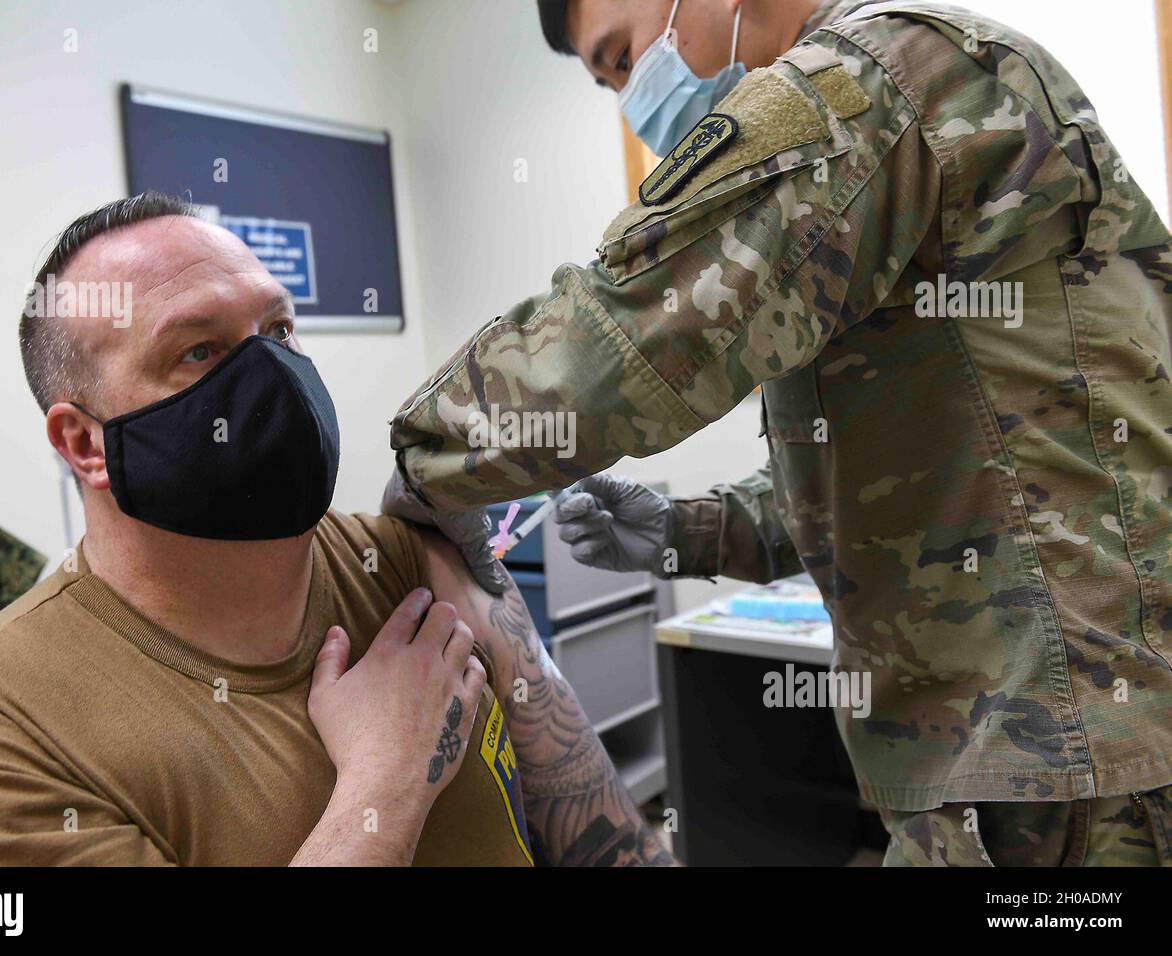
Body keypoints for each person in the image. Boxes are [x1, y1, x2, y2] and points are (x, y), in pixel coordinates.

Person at [384, 0, 1172, 864]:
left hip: (1063, 754)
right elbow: (907, 465)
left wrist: (429, 460)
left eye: (621, 58)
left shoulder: (874, 75)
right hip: (1029, 745)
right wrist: (689, 530)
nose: (630, 97)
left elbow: (637, 333)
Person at [0, 193, 671, 867]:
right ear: (85, 444)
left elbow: (593, 821)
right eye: (198, 350)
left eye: (279, 331)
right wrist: (381, 788)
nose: (273, 378)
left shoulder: (404, 556)